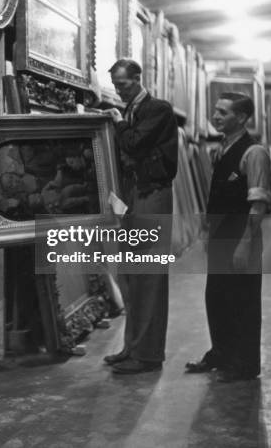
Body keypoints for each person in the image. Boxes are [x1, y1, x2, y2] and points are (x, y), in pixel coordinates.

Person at [185, 92, 271, 382]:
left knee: (243, 301)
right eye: (215, 110)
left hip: (241, 239)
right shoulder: (222, 149)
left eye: (223, 112)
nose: (215, 116)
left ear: (242, 118)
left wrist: (246, 244)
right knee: (217, 297)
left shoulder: (254, 152)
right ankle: (220, 353)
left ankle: (243, 365)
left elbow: (258, 203)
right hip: (222, 238)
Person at [103, 58, 178, 374]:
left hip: (152, 195)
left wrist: (117, 122)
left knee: (148, 275)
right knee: (130, 274)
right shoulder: (133, 111)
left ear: (138, 79)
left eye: (124, 85)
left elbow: (134, 143)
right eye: (116, 86)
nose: (119, 91)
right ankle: (132, 347)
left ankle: (147, 356)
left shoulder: (158, 109)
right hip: (133, 193)